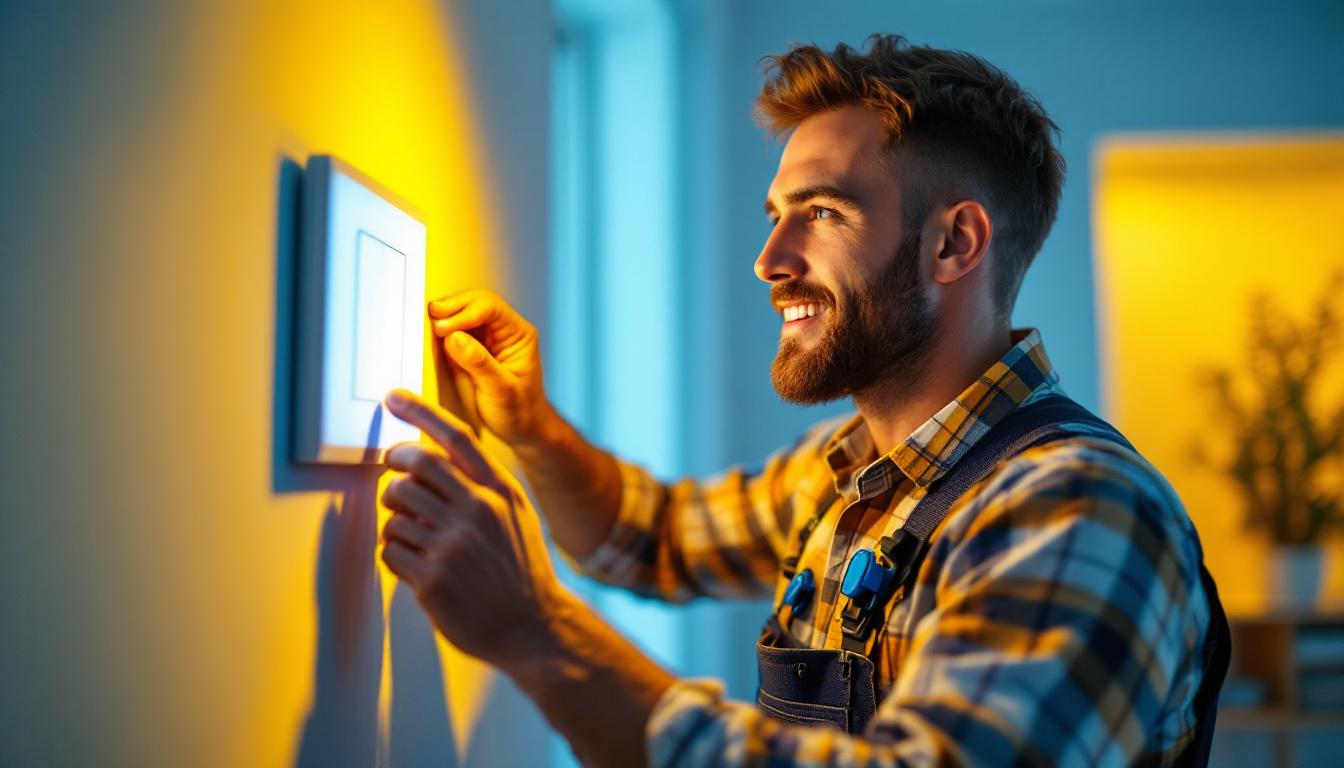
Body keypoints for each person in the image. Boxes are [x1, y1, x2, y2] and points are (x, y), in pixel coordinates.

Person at [377, 35, 1229, 767]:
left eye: (821, 212)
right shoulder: (847, 470)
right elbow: (654, 537)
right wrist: (531, 428)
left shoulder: (1078, 509)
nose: (770, 260)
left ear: (953, 243)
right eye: (776, 214)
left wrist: (542, 632)